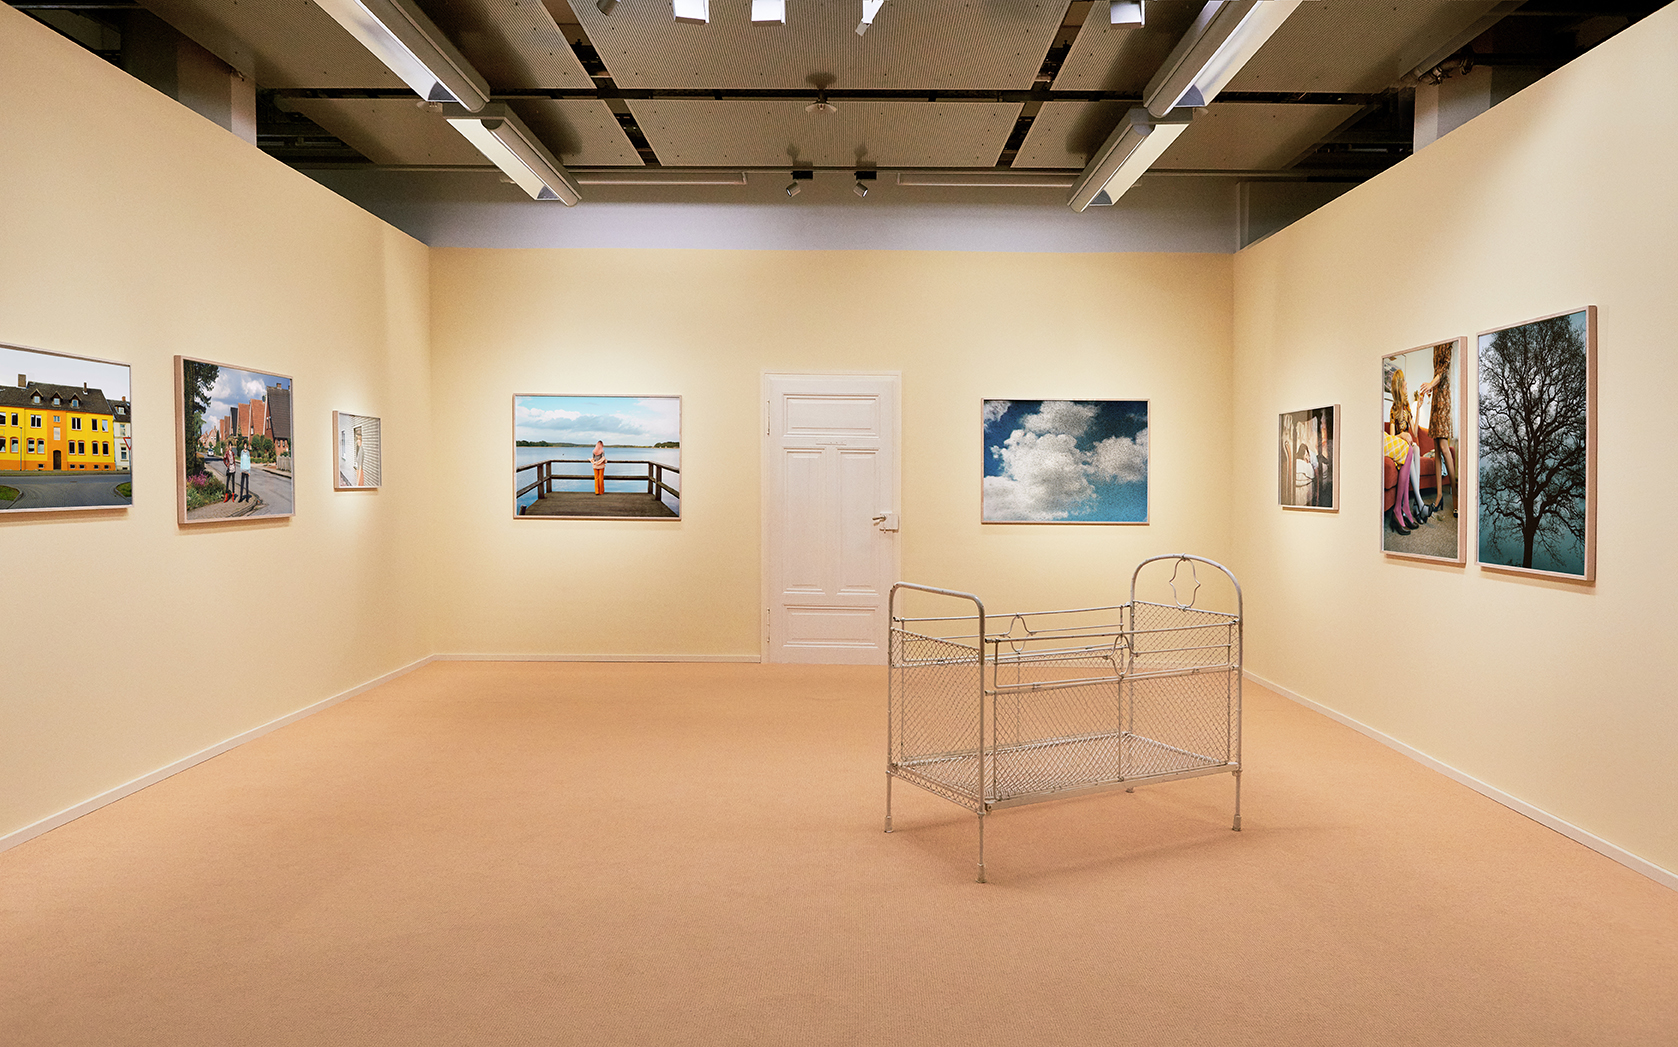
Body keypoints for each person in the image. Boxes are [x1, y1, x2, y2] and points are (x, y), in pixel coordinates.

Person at [1414, 341, 1457, 517]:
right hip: (1437, 396)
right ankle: (1439, 497)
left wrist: (1431, 384)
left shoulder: (1448, 343)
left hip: (1444, 396)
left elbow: (1444, 370)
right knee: (1437, 449)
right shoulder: (1435, 345)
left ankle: (1456, 497)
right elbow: (1437, 371)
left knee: (1445, 449)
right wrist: (1432, 387)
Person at [1384, 369, 1430, 534]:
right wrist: (1402, 435)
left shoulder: (1407, 407)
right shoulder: (1393, 409)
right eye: (1404, 381)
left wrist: (1417, 409)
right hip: (1400, 449)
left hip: (1409, 447)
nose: (1407, 384)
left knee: (1416, 448)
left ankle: (1416, 504)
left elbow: (1415, 432)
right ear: (1399, 385)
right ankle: (1417, 504)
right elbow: (1391, 437)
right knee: (1412, 448)